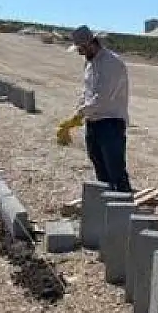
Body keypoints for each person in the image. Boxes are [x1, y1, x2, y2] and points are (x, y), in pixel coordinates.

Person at [57, 25, 134, 193]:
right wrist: (77, 113)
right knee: (100, 170)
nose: (79, 53)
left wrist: (79, 114)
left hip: (110, 124)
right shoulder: (90, 64)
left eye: (81, 49)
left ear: (90, 44)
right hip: (93, 123)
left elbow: (103, 99)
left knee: (116, 171)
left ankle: (123, 209)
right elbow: (87, 92)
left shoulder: (112, 64)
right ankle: (107, 208)